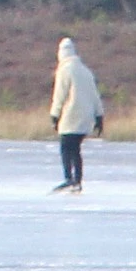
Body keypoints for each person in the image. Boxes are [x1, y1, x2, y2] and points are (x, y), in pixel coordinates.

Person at [49, 37, 102, 192]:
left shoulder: (65, 70)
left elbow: (60, 94)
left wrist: (55, 114)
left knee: (66, 147)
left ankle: (68, 178)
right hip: (86, 117)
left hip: (70, 115)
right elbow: (94, 95)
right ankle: (77, 180)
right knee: (76, 149)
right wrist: (99, 115)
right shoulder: (85, 70)